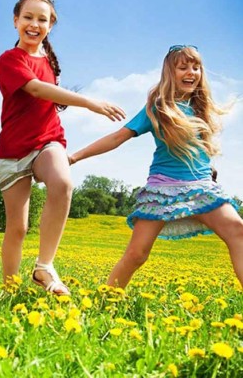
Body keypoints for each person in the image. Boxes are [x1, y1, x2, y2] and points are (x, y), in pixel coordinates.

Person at [69, 45, 243, 288]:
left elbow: (199, 148)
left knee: (238, 230)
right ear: (170, 74)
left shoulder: (201, 109)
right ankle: (107, 298)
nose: (191, 72)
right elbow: (117, 138)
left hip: (202, 188)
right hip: (164, 190)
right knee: (137, 254)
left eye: (196, 67)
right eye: (183, 67)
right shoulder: (157, 109)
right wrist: (74, 157)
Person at [0, 0, 125, 295]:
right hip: (13, 151)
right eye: (28, 17)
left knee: (63, 183)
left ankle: (44, 266)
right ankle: (9, 289)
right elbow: (37, 90)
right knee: (17, 228)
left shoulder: (50, 62)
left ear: (50, 25)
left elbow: (47, 94)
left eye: (42, 19)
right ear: (16, 20)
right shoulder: (9, 59)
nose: (34, 24)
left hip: (47, 142)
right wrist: (89, 102)